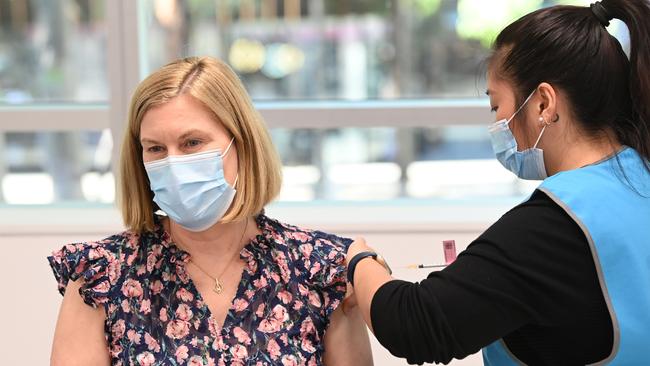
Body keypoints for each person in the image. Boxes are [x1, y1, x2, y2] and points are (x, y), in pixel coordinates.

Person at [345, 1, 650, 365]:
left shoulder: (555, 226)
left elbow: (415, 324)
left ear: (543, 104)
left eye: (496, 106)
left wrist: (358, 260)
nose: (498, 123)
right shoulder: (638, 178)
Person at [48, 56, 372, 366]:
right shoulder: (100, 278)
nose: (173, 164)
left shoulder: (320, 271)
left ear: (241, 144)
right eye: (156, 148)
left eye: (192, 143)